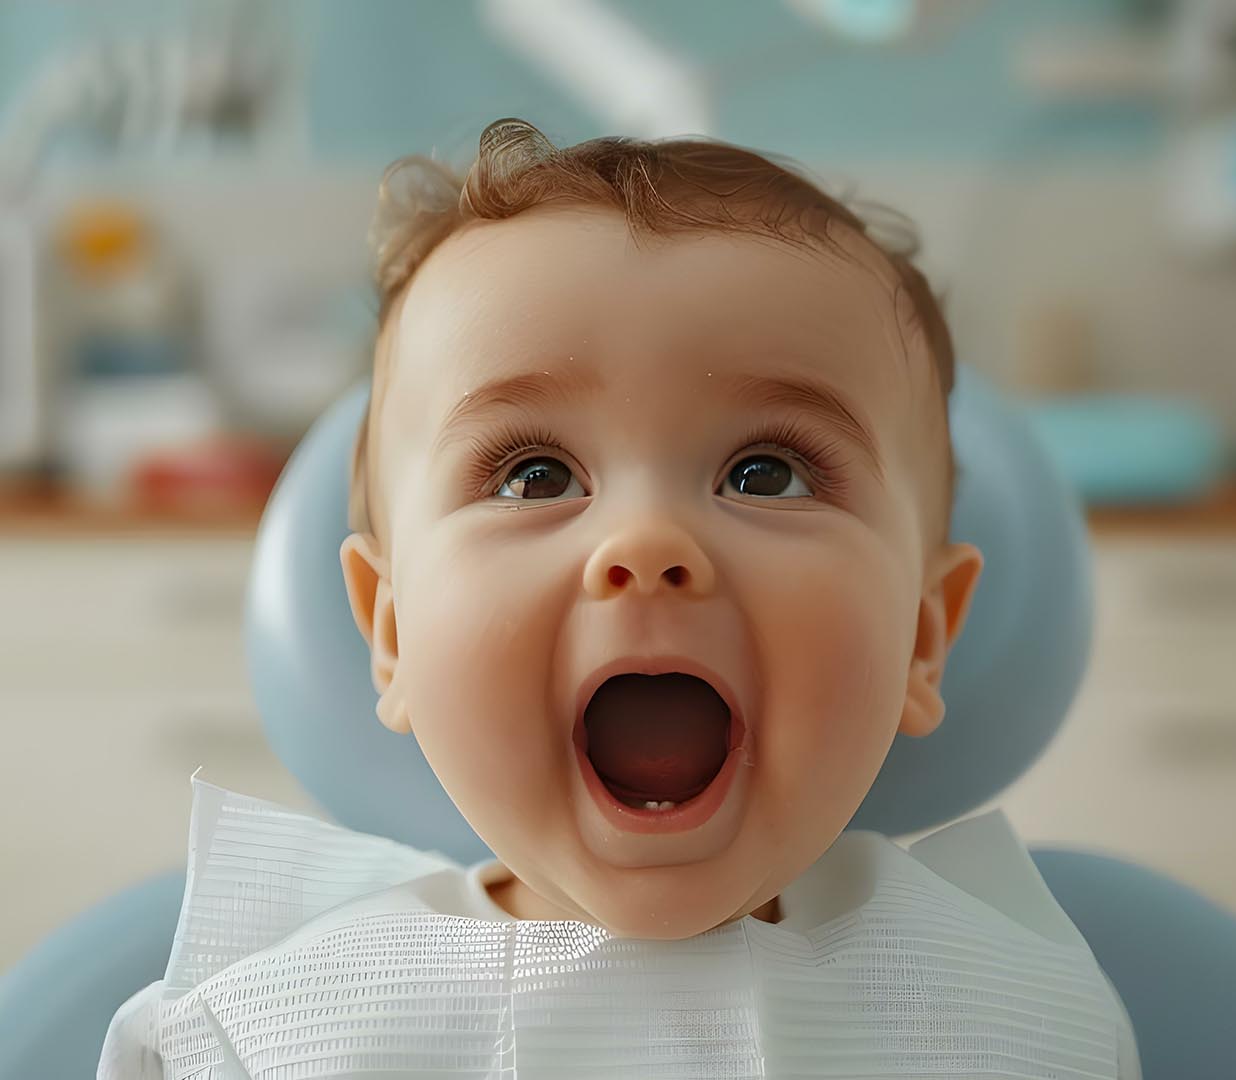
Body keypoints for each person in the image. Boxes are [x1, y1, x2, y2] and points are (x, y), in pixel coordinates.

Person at [97, 118, 1138, 1078]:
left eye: (765, 472)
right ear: (394, 630)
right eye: (535, 476)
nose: (647, 544)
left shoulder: (1014, 1022)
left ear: (922, 637)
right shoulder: (273, 1037)